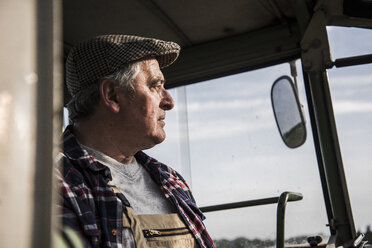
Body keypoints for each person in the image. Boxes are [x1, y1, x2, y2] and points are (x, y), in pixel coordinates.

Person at [56, 35, 215, 248]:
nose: (169, 102)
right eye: (155, 86)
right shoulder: (54, 184)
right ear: (112, 95)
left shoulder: (170, 179)